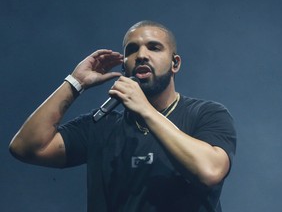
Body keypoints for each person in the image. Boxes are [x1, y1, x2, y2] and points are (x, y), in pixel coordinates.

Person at [9, 20, 236, 212]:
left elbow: (210, 171)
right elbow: (25, 147)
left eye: (154, 48)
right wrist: (74, 83)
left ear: (175, 63)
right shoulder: (100, 125)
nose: (141, 55)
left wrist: (145, 110)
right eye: (132, 50)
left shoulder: (206, 114)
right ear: (124, 65)